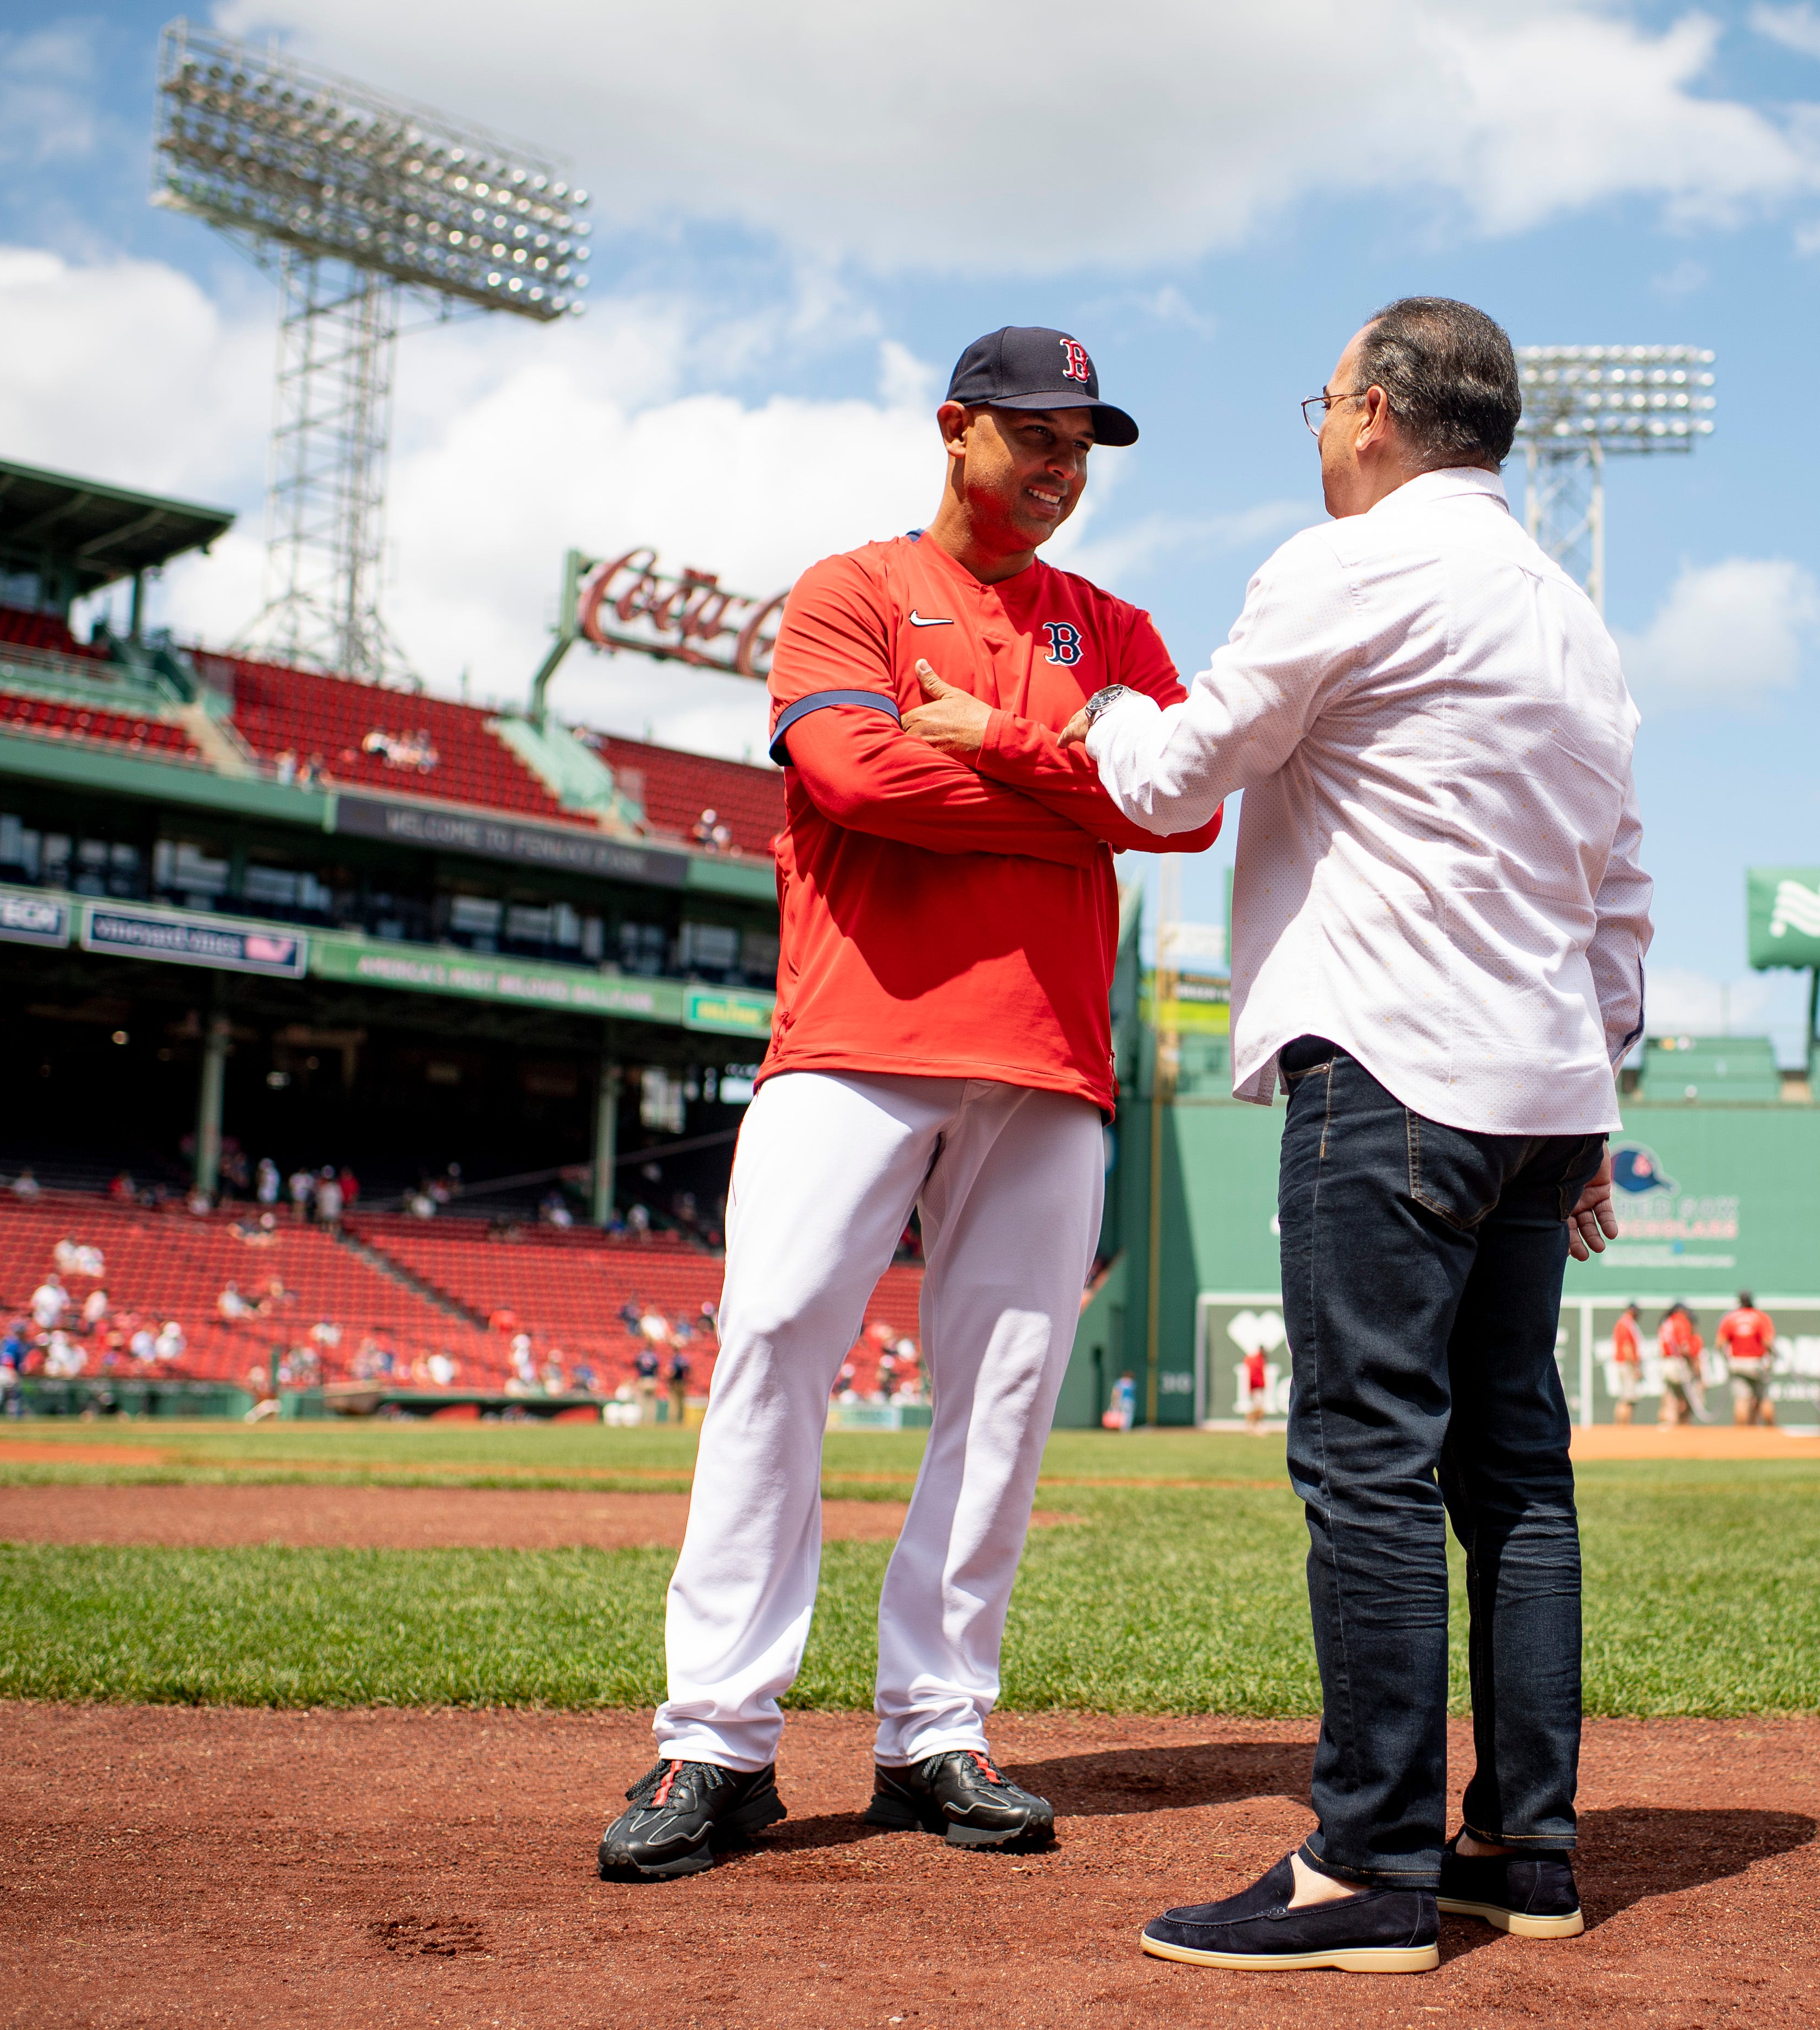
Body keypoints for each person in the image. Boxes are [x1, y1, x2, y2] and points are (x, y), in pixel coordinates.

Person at [1061, 298, 1651, 1975]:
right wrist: (1588, 1098)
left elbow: (1173, 778)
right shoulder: (1574, 618)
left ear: (1375, 411)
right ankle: (1520, 1850)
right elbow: (1622, 898)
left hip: (1387, 1072)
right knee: (1516, 1479)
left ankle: (1368, 1867)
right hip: (1536, 1099)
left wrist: (1087, 709)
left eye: (1319, 401)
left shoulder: (1349, 564)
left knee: (1371, 1461)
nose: (1316, 431)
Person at [598, 325, 1220, 1887]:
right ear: (957, 431)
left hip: (1051, 1059)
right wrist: (1076, 807)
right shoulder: (851, 594)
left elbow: (1192, 807)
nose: (1062, 471)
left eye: (1084, 449)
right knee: (774, 1345)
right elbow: (858, 781)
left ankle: (937, 1728)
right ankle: (717, 1740)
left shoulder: (1114, 626)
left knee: (1002, 1397)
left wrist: (1006, 747)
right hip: (855, 1034)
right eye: (1035, 438)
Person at [1717, 1294, 1776, 1429]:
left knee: (1741, 1400)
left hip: (1737, 1363)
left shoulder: (1731, 1318)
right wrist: (1773, 1357)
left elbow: (1720, 1344)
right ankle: (1772, 1433)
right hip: (1757, 1363)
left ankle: (1741, 1435)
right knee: (1763, 1399)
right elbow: (1768, 1341)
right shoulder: (1760, 1317)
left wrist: (1727, 1361)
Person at [1656, 1304, 1705, 1428]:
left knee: (1669, 1398)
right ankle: (1681, 1429)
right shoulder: (1681, 1322)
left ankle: (1665, 1427)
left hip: (1666, 1363)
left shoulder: (1666, 1323)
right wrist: (1694, 1367)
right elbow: (1684, 1348)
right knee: (1686, 1401)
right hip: (1678, 1364)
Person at [1606, 1304, 1644, 1426]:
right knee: (1628, 1399)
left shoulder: (1625, 1323)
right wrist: (1635, 1367)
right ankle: (1623, 1427)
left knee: (1625, 1397)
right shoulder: (1625, 1324)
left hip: (1624, 1364)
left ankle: (1621, 1427)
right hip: (1627, 1365)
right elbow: (1627, 1347)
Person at [1238, 1341, 1273, 1436]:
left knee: (1257, 1408)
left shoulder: (1260, 1360)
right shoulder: (1257, 1360)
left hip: (1258, 1387)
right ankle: (1255, 1426)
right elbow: (1252, 1370)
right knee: (1259, 1409)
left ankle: (1252, 1426)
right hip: (1257, 1388)